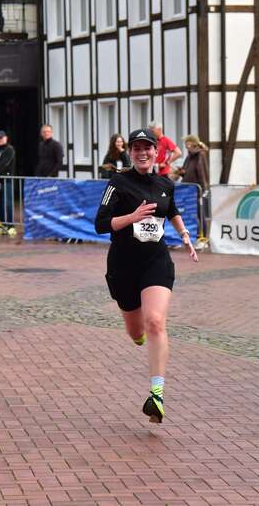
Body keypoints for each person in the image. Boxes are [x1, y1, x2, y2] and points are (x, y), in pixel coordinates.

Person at [95, 128, 199, 423]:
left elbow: (171, 209)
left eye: (147, 148)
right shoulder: (118, 182)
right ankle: (138, 336)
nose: (142, 153)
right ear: (130, 152)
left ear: (157, 152)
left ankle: (157, 395)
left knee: (155, 321)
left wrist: (184, 234)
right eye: (137, 148)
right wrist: (132, 217)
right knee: (136, 331)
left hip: (156, 260)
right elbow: (100, 224)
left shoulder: (165, 183)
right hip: (123, 265)